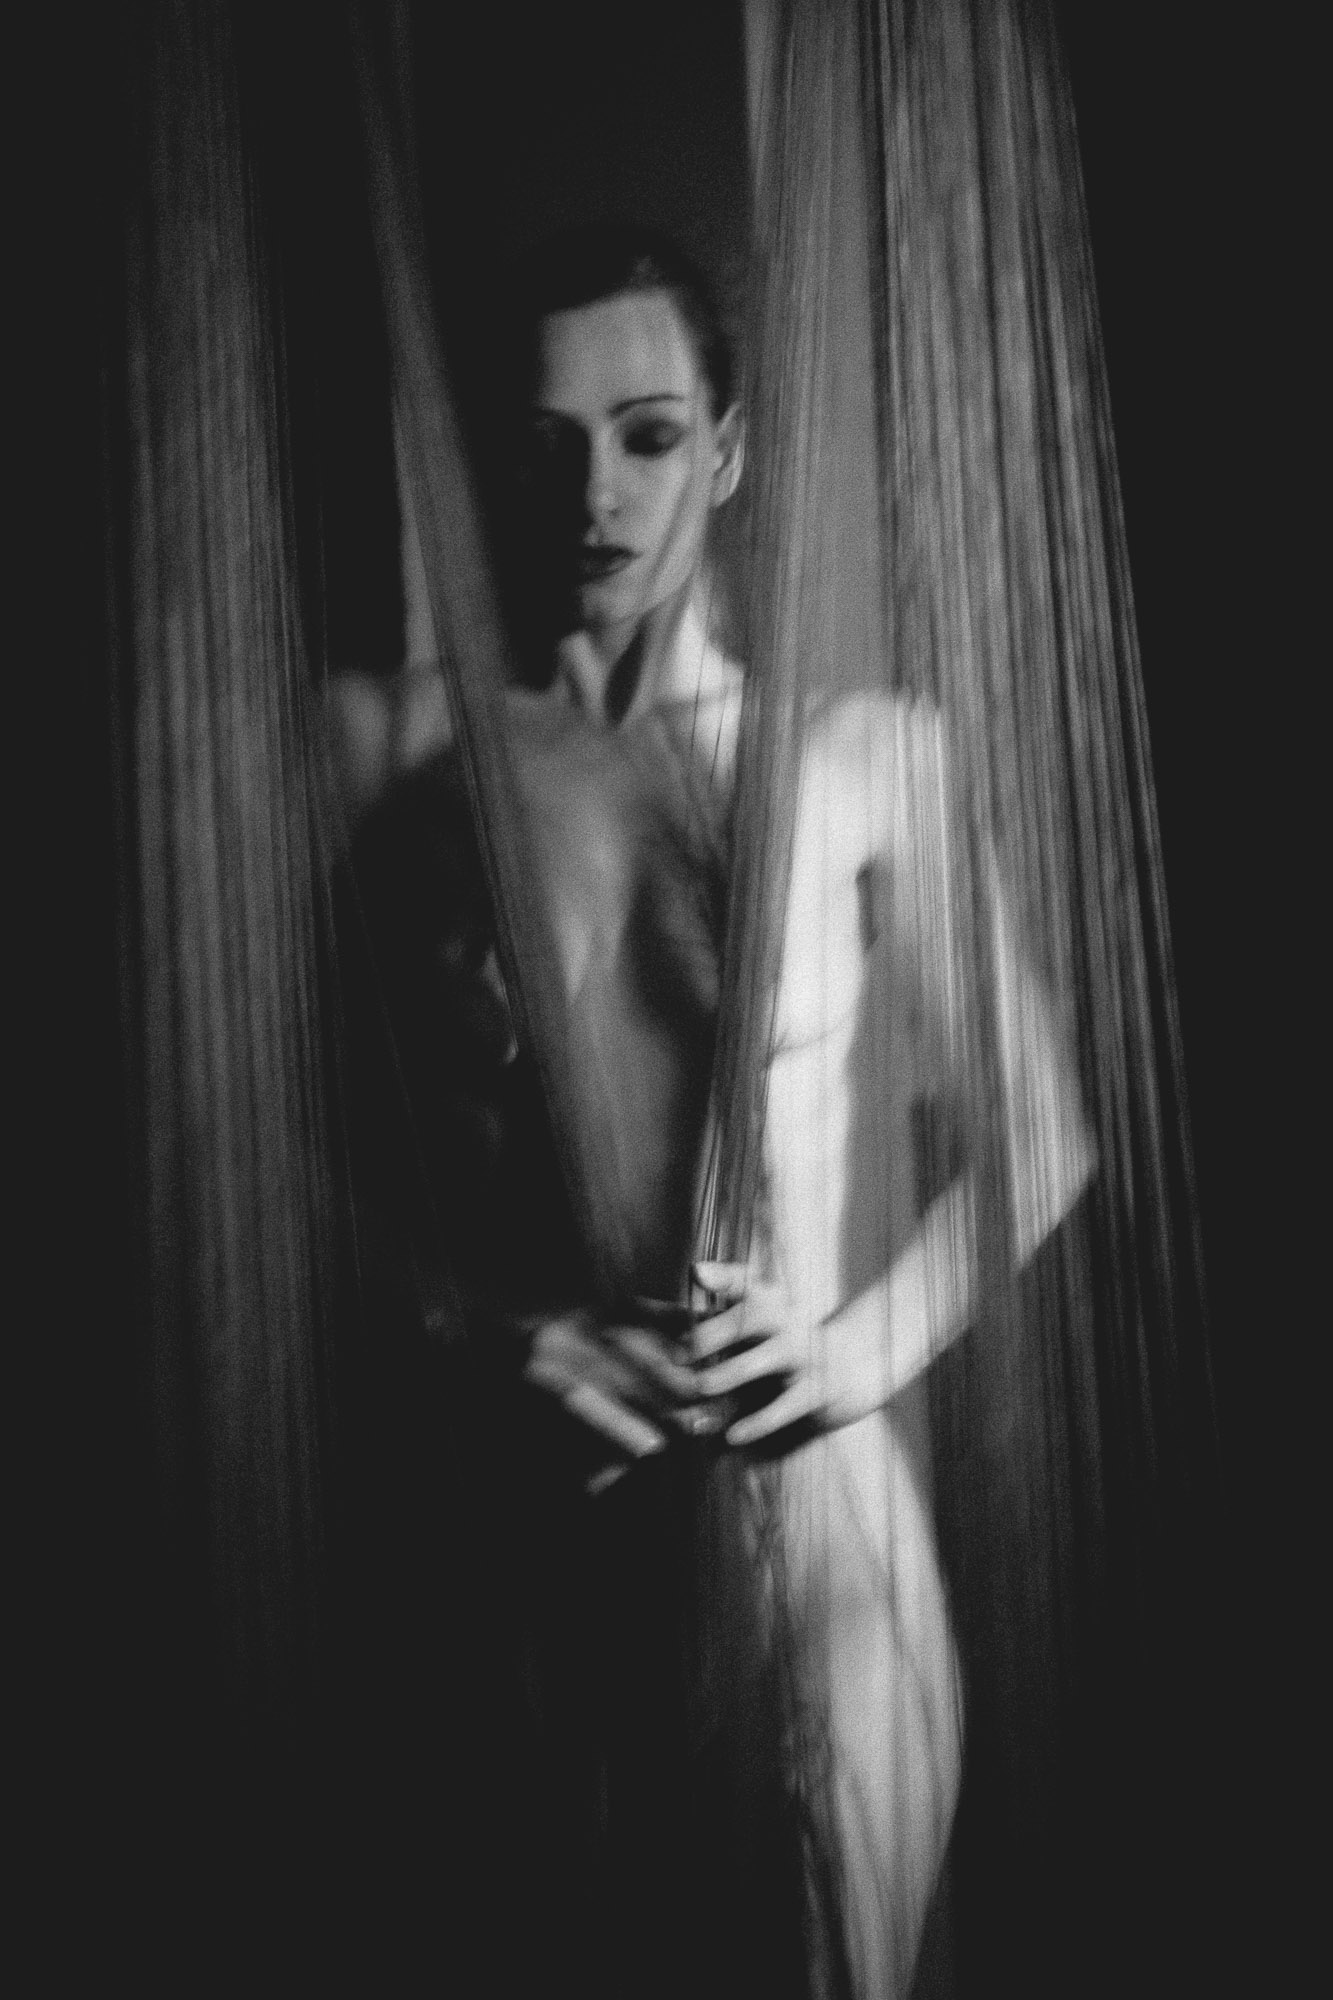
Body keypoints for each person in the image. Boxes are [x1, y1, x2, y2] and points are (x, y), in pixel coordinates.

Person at [331, 225, 1094, 1999]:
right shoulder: (392, 759)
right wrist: (482, 1333)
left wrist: (850, 1356)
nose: (597, 493)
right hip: (544, 1575)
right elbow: (268, 1167)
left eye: (650, 435)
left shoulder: (861, 758)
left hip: (815, 1552)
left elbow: (1039, 1131)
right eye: (548, 444)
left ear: (727, 452)